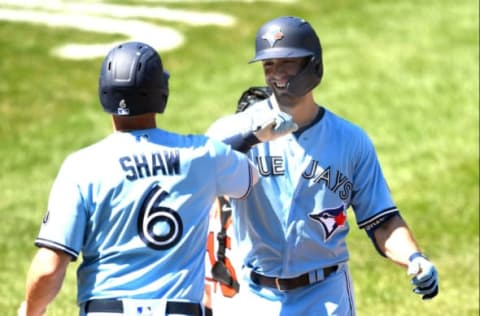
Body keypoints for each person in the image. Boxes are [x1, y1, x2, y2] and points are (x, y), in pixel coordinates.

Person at [18, 41, 297, 316]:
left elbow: (49, 268)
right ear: (160, 94)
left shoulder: (81, 167)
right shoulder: (203, 155)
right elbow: (248, 181)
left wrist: (30, 311)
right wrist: (254, 137)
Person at [206, 16, 439, 315]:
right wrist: (250, 139)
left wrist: (414, 257)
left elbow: (382, 219)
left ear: (312, 66)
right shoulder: (234, 130)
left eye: (286, 63)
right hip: (254, 296)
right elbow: (195, 171)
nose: (277, 74)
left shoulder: (350, 141)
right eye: (269, 65)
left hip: (324, 297)